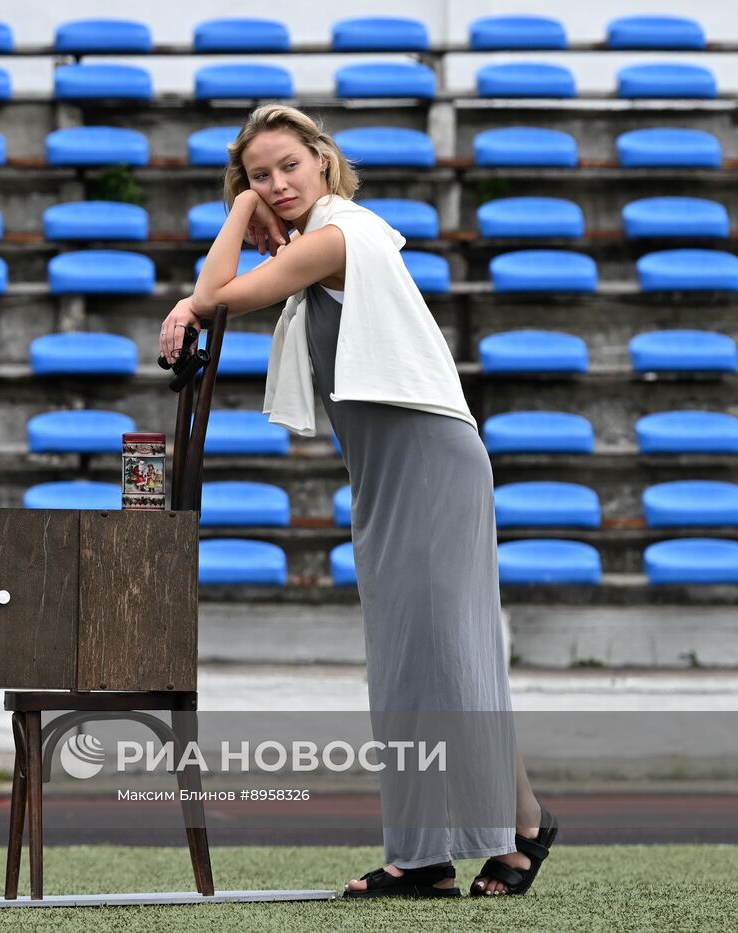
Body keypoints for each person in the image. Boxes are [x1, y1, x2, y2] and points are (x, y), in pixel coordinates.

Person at [159, 103, 559, 898]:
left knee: (450, 655)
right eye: (258, 176)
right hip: (384, 476)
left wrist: (233, 211)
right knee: (413, 666)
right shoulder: (325, 242)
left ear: (322, 161)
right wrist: (242, 217)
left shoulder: (340, 238)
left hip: (433, 466)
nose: (274, 186)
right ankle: (432, 854)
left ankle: (515, 835)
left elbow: (218, 295)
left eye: (285, 169)